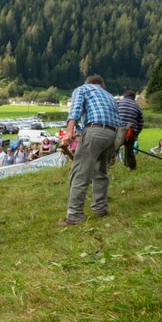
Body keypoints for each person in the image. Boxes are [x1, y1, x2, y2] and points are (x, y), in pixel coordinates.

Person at [60, 75, 120, 225]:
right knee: (100, 171)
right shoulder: (110, 96)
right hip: (112, 134)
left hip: (95, 131)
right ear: (102, 84)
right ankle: (100, 208)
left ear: (88, 83)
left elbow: (75, 111)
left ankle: (74, 216)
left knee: (80, 172)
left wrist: (69, 132)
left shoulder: (82, 89)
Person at [115, 90, 144, 170]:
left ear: (124, 96)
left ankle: (108, 167)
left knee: (114, 149)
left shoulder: (118, 102)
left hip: (118, 129)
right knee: (129, 150)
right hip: (131, 130)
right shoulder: (137, 106)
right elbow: (140, 123)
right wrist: (136, 134)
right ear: (134, 98)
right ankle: (130, 167)